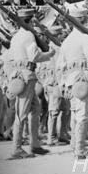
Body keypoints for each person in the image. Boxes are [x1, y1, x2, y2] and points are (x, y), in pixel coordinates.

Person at [58, 5, 88, 158]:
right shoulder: (86, 38)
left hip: (73, 81)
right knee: (84, 114)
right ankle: (79, 149)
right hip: (83, 80)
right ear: (84, 19)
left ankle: (76, 143)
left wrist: (63, 84)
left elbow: (59, 65)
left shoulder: (67, 40)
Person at [7, 8, 55, 159]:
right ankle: (17, 148)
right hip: (26, 75)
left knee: (35, 108)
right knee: (21, 113)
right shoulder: (28, 35)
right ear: (31, 19)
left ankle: (35, 144)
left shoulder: (16, 36)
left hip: (20, 74)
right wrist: (50, 54)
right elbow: (34, 56)